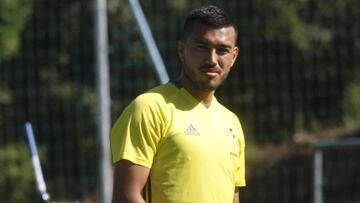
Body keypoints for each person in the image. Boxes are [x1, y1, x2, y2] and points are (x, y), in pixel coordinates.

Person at [110, 5, 246, 203]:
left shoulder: (232, 123)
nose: (212, 59)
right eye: (202, 47)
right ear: (181, 50)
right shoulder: (149, 108)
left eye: (222, 50)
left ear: (233, 57)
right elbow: (126, 196)